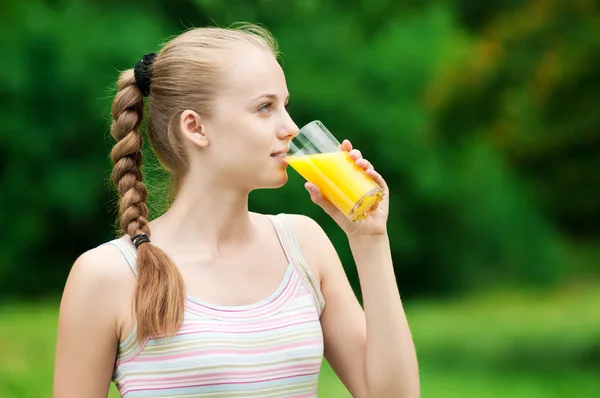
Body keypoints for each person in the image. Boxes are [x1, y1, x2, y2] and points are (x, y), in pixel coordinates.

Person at [53, 23, 419, 398]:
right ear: (196, 127)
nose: (291, 127)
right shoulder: (107, 275)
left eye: (285, 106)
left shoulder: (303, 246)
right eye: (265, 107)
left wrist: (369, 238)